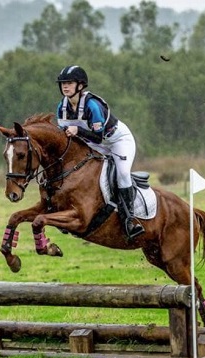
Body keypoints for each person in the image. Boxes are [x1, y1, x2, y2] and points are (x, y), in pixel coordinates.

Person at [55, 64, 145, 240]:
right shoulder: (62, 107)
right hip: (94, 144)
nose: (65, 86)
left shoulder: (92, 106)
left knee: (123, 174)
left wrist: (78, 131)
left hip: (117, 141)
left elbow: (98, 136)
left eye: (70, 82)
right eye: (63, 83)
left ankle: (130, 220)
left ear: (80, 85)